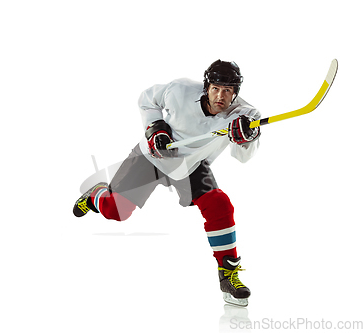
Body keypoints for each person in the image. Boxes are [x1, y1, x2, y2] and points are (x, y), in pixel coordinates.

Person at [73, 60, 261, 307]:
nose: (220, 96)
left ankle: (227, 275)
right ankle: (97, 195)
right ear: (207, 87)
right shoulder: (180, 89)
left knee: (219, 205)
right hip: (152, 156)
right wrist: (155, 128)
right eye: (216, 88)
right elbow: (146, 99)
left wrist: (248, 137)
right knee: (115, 212)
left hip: (190, 165)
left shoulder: (245, 115)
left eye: (227, 90)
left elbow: (243, 158)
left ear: (236, 92)